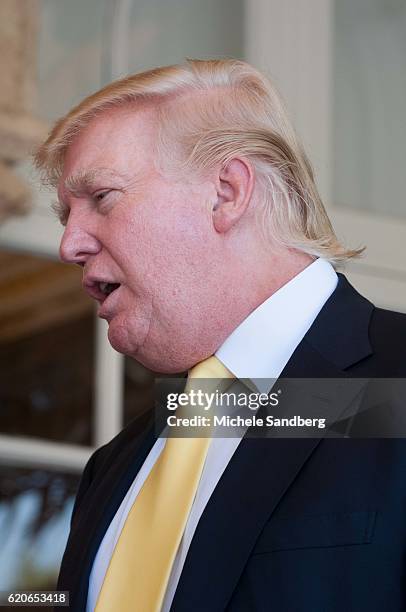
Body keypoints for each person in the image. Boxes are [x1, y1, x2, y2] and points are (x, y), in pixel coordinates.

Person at [35, 59, 406, 612]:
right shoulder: (114, 467)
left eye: (102, 198)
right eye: (66, 213)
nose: (70, 244)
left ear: (227, 192)